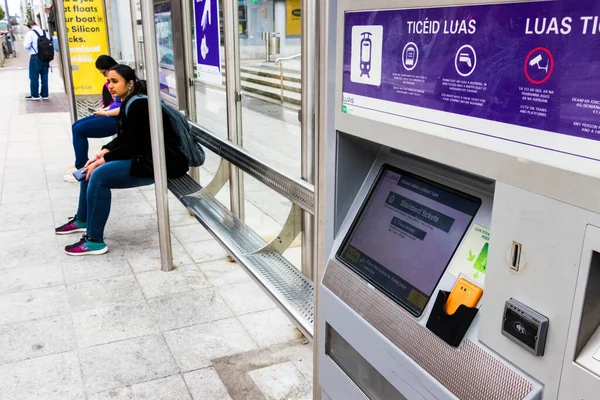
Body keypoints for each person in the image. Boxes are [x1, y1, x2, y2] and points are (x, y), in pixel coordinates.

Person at [55, 64, 189, 255]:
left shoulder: (138, 105)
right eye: (108, 81)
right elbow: (125, 138)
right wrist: (104, 151)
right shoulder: (129, 102)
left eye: (115, 81)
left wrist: (104, 160)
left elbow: (135, 145)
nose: (110, 85)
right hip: (147, 157)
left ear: (130, 84)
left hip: (161, 162)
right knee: (90, 168)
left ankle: (94, 241)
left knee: (99, 175)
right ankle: (82, 220)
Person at [64, 55, 121, 182]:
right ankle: (82, 166)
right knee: (76, 126)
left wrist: (106, 113)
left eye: (114, 81)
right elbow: (117, 103)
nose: (109, 84)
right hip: (113, 114)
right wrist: (104, 110)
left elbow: (124, 107)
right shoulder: (115, 81)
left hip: (118, 118)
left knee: (79, 129)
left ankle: (82, 167)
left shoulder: (126, 83)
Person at [23, 21, 50, 100]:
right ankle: (45, 95)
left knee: (34, 76)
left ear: (30, 26)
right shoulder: (45, 33)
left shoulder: (30, 33)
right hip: (45, 57)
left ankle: (35, 95)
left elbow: (26, 46)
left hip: (35, 57)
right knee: (45, 76)